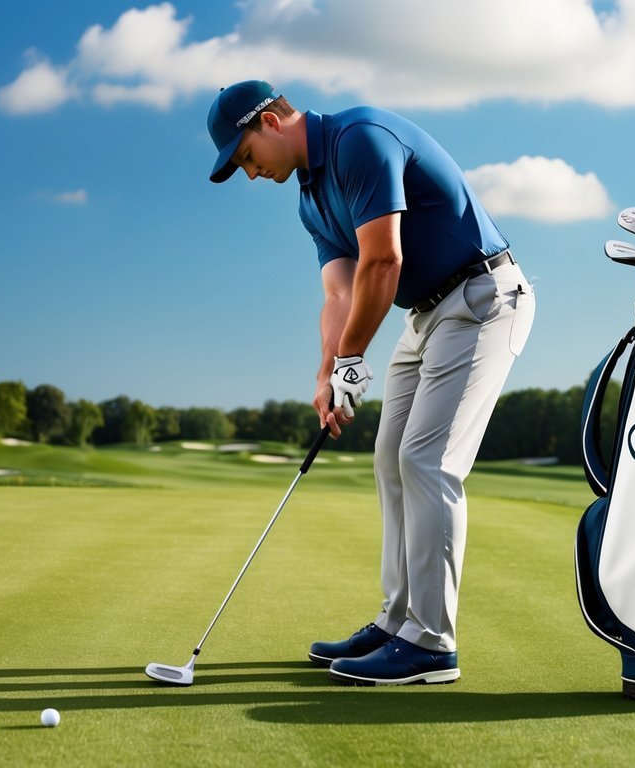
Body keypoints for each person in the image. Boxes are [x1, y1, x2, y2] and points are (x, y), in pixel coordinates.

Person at [207, 80, 534, 686]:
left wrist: (353, 359)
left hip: (483, 296)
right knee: (390, 458)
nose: (250, 173)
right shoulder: (310, 199)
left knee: (426, 461)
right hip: (425, 315)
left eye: (246, 157)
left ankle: (432, 645)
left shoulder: (359, 140)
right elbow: (340, 289)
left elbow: (384, 260)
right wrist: (328, 372)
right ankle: (398, 622)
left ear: (270, 122)